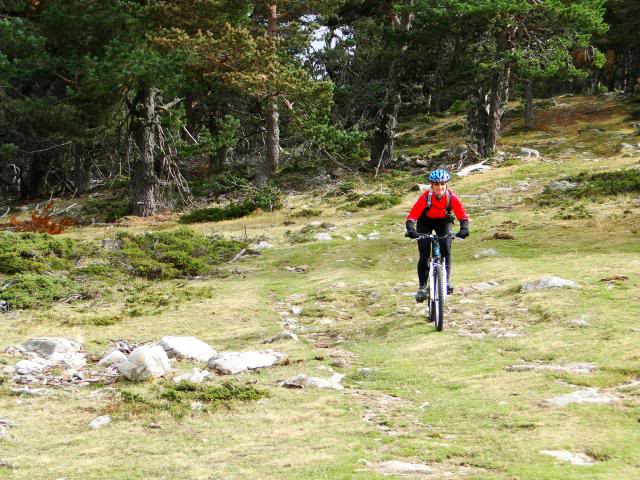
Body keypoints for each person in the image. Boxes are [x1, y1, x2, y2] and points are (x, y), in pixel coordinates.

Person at [405, 169, 469, 302]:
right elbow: (412, 216)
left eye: (442, 184)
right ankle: (422, 287)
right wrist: (411, 229)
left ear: (446, 185)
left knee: (446, 247)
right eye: (436, 184)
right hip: (425, 221)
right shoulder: (425, 198)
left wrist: (464, 229)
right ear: (432, 185)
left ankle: (445, 282)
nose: (439, 187)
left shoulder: (451, 198)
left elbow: (462, 215)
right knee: (424, 251)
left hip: (443, 221)